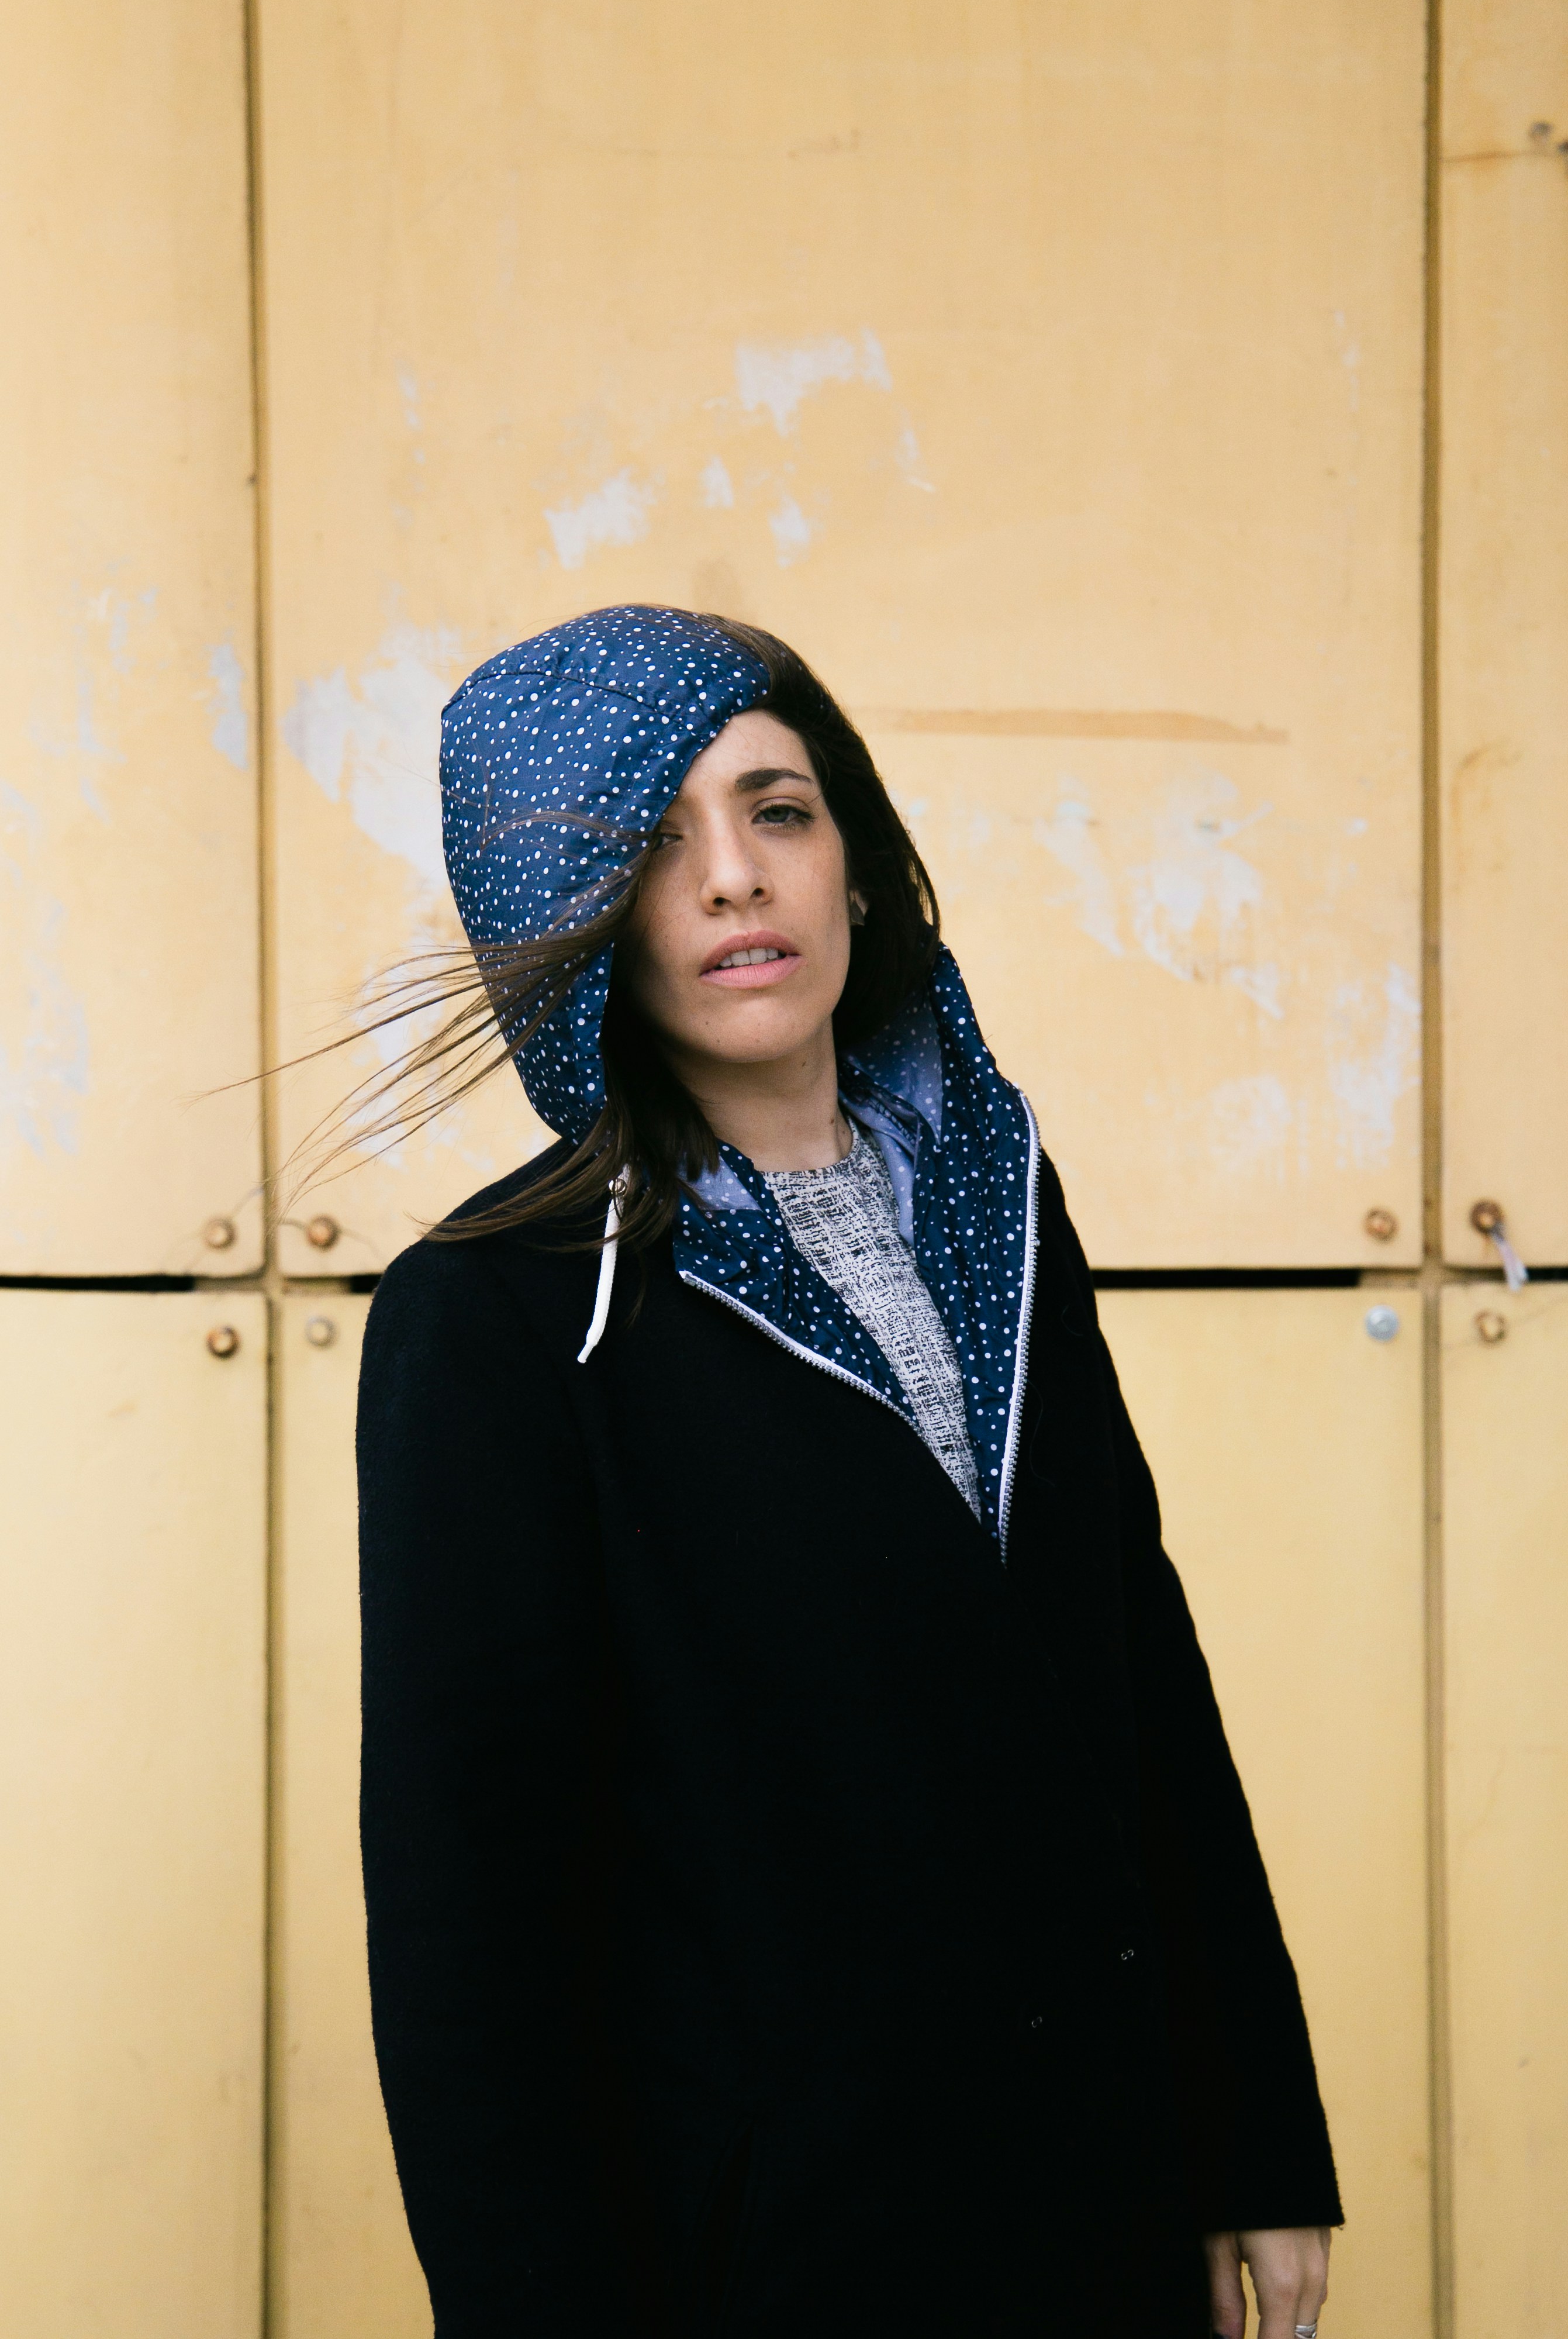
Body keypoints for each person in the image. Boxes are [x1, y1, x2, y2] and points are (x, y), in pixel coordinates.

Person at [357, 605, 1340, 2339]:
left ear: (860, 866)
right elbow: (471, 1907)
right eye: (653, 840)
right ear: (567, 919)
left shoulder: (997, 1201)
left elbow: (1139, 1676)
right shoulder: (504, 1310)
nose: (735, 876)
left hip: (1097, 2199)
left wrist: (1246, 2134)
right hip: (763, 2253)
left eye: (779, 810)